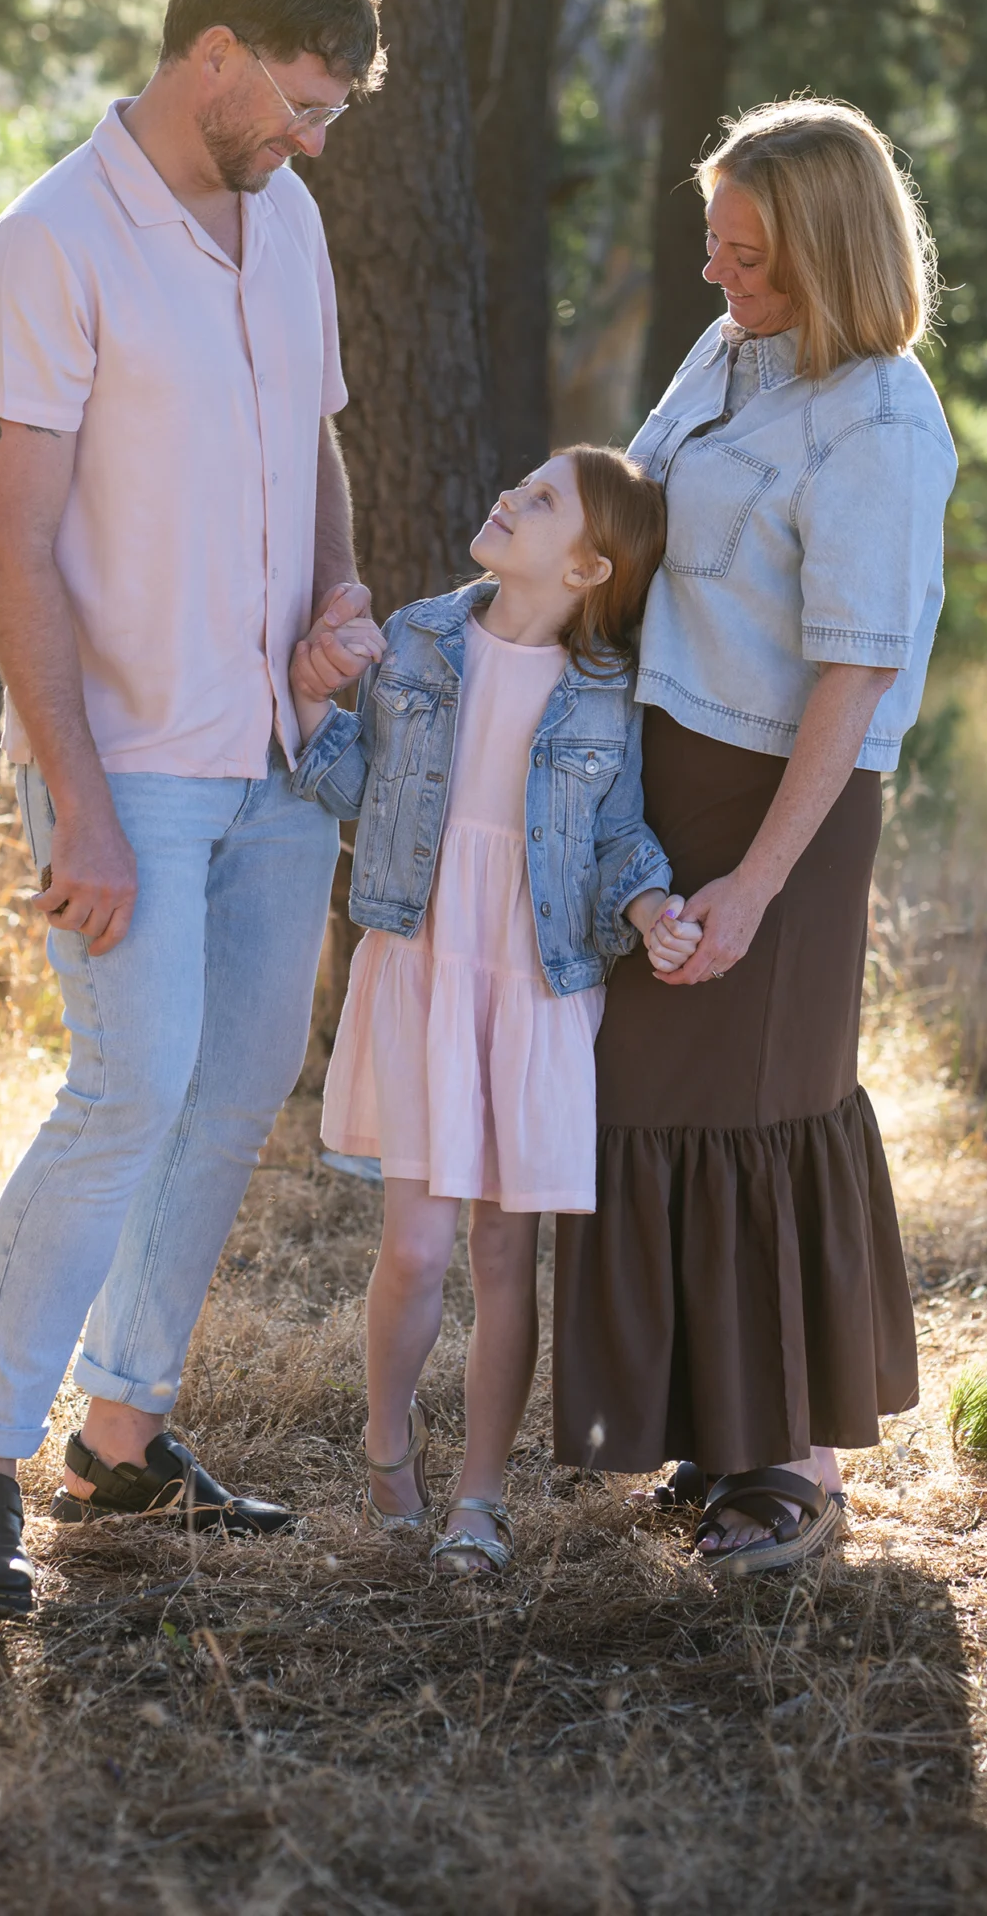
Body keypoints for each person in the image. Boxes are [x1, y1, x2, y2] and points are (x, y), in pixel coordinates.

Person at [0, 0, 390, 1616]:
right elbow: (4, 551)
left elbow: (314, 441)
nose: (315, 137)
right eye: (306, 103)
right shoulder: (50, 249)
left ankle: (119, 1442)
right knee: (125, 1088)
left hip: (273, 759)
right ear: (215, 57)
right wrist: (83, 808)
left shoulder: (287, 218)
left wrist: (333, 600)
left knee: (233, 1085)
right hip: (126, 772)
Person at [553, 98, 957, 1580]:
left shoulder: (882, 422)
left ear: (835, 254)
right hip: (667, 769)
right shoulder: (733, 353)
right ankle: (714, 1433)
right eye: (713, 250)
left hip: (782, 797)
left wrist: (756, 879)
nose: (721, 280)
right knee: (652, 1107)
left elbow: (853, 671)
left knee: (766, 1102)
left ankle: (795, 1459)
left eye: (752, 259)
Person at [289, 447, 700, 1578]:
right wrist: (312, 698)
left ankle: (480, 1493)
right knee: (416, 1248)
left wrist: (654, 902)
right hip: (422, 960)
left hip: (532, 981)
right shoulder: (419, 638)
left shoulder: (609, 694)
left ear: (587, 566)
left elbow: (618, 837)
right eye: (518, 484)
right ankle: (386, 1446)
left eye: (541, 499)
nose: (508, 498)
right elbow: (353, 789)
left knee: (505, 1250)